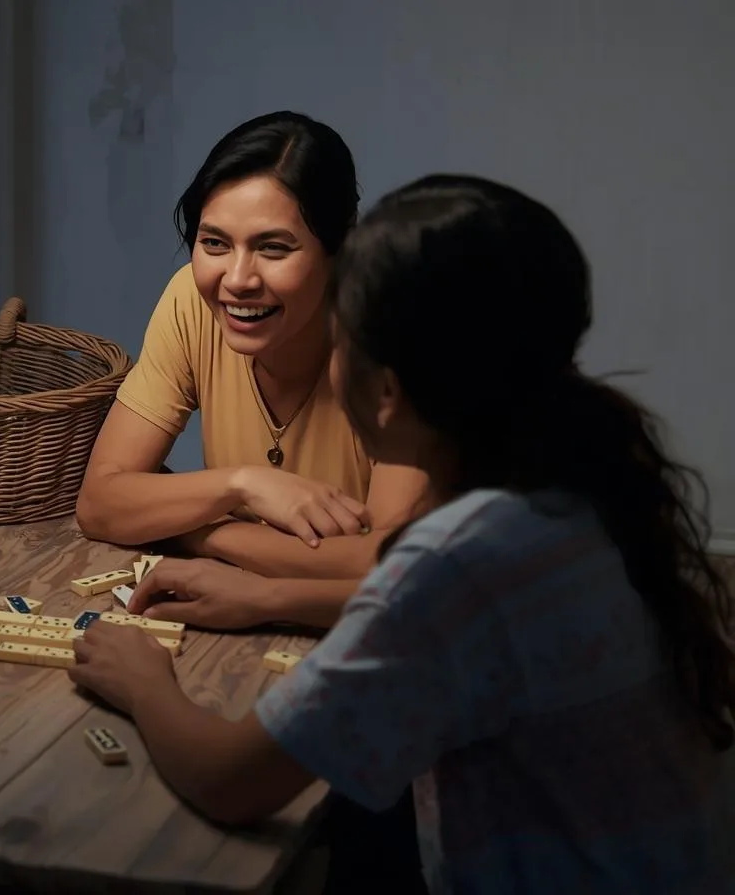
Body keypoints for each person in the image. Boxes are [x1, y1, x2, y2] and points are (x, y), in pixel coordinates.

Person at [71, 174, 735, 893]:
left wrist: (145, 683)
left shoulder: (456, 565)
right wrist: (269, 596)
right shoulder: (566, 498)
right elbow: (452, 624)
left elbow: (229, 781)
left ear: (385, 392)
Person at [75, 111, 429, 632]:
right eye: (214, 243)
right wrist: (242, 485)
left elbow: (382, 565)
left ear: (342, 247)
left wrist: (200, 531)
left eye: (273, 248)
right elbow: (101, 501)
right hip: (237, 630)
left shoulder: (398, 345)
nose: (237, 280)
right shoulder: (190, 303)